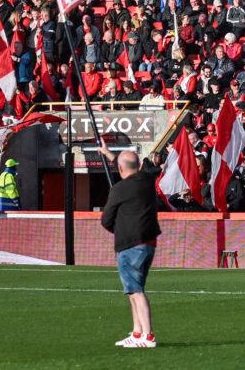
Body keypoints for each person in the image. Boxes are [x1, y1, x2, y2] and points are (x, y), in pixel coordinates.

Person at [100, 146, 162, 349]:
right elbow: (127, 164)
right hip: (149, 243)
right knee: (135, 289)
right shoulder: (147, 180)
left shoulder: (119, 189)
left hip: (130, 244)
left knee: (135, 291)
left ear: (120, 168)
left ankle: (148, 335)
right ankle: (137, 333)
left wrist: (118, 229)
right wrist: (110, 154)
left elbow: (106, 219)